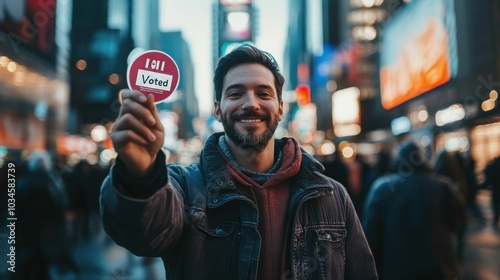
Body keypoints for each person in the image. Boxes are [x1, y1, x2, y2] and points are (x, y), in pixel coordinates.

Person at [100, 44, 378, 279]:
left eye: (263, 93)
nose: (251, 103)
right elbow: (145, 233)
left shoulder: (332, 197)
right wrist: (140, 174)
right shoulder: (184, 188)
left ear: (281, 108)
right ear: (218, 110)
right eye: (235, 93)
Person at [362, 140, 466, 280]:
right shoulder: (443, 186)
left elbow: (370, 237)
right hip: (439, 270)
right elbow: (457, 222)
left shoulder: (382, 188)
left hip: (396, 270)